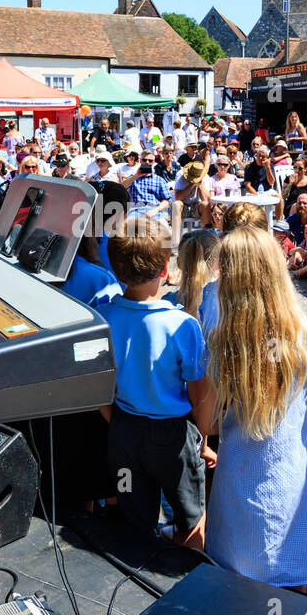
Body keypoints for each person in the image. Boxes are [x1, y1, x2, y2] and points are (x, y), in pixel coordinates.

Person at [202, 227, 307, 592]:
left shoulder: (219, 340)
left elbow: (209, 424)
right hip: (295, 487)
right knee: (294, 605)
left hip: (237, 486)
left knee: (235, 598)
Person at [99, 218, 212, 547]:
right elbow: (198, 394)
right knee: (191, 518)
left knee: (133, 517)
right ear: (165, 269)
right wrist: (202, 440)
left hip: (124, 432)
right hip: (173, 435)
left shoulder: (102, 317)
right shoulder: (183, 325)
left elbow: (98, 390)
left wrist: (118, 422)